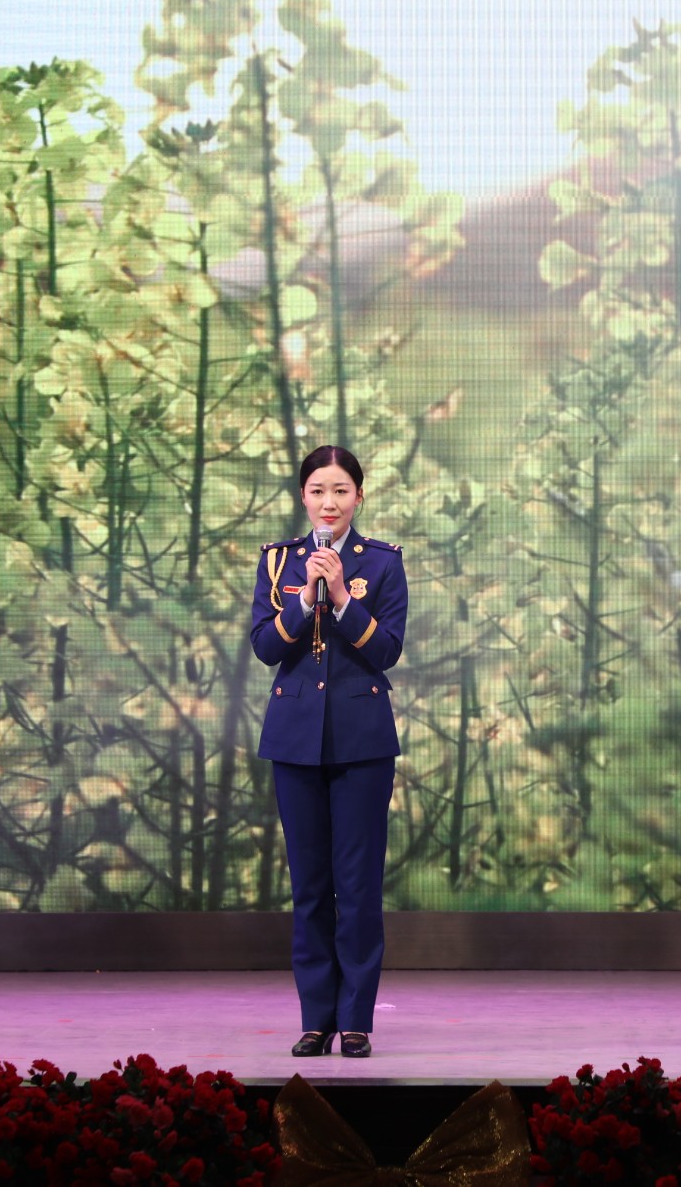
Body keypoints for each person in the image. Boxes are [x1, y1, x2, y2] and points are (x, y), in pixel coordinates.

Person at [250, 445, 407, 1059]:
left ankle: (356, 1020)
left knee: (358, 887)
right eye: (318, 490)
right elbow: (267, 648)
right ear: (303, 497)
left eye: (341, 490)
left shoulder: (383, 562)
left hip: (362, 742)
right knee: (311, 888)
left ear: (359, 497)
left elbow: (387, 650)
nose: (329, 502)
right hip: (294, 740)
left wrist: (341, 596)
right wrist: (305, 597)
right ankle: (316, 1019)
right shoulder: (278, 562)